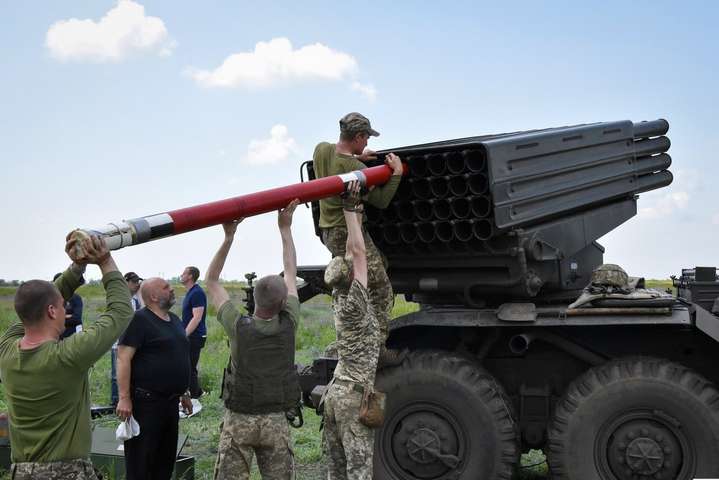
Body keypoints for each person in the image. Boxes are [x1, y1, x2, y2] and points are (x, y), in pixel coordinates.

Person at [0, 233, 133, 480]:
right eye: (62, 306)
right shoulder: (68, 356)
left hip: (22, 472)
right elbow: (121, 311)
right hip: (66, 473)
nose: (66, 311)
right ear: (52, 311)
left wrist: (77, 267)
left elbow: (40, 301)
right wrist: (105, 260)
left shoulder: (6, 350)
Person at [205, 199, 301, 480]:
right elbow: (291, 271)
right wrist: (285, 228)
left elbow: (212, 281)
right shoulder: (290, 322)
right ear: (283, 303)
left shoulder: (237, 326)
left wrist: (228, 237)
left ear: (254, 299)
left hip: (240, 420)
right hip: (276, 421)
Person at [313, 112, 404, 364]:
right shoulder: (356, 170)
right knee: (381, 289)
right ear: (358, 136)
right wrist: (396, 173)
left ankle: (347, 342)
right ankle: (377, 349)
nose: (366, 144)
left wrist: (355, 157)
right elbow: (382, 201)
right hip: (348, 232)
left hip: (328, 231)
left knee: (358, 279)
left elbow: (337, 160)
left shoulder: (321, 150)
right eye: (366, 139)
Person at [322, 182, 381, 479]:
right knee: (359, 471)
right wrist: (349, 206)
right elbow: (358, 252)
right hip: (352, 399)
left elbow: (350, 252)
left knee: (336, 470)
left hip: (335, 396)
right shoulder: (356, 303)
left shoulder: (339, 296)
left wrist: (353, 211)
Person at [115, 277, 193, 480]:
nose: (172, 289)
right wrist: (124, 398)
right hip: (146, 404)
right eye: (166, 287)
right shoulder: (139, 320)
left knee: (164, 463)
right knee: (141, 464)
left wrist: (184, 392)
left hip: (170, 404)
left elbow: (179, 355)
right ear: (153, 296)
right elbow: (123, 358)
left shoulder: (174, 320)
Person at [109, 271, 143, 406]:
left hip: (131, 343)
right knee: (116, 374)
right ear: (126, 282)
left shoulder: (136, 300)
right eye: (134, 282)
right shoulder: (118, 299)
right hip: (118, 342)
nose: (137, 285)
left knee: (130, 372)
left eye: (138, 282)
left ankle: (129, 400)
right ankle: (115, 401)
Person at [180, 266, 207, 398]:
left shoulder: (197, 293)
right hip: (190, 335)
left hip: (195, 336)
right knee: (187, 366)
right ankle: (197, 392)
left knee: (189, 368)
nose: (181, 275)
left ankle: (195, 396)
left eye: (184, 273)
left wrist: (184, 335)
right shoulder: (190, 292)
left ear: (190, 276)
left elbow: (197, 318)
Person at [52, 272, 84, 339]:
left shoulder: (76, 298)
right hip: (59, 336)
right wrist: (68, 316)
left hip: (75, 335)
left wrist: (58, 318)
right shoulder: (52, 300)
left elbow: (77, 318)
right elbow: (49, 320)